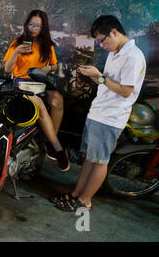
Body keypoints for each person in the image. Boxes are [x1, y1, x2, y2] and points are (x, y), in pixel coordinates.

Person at [53, 15, 146, 212]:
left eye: (102, 40)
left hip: (111, 118)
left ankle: (85, 201)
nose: (101, 45)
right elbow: (107, 83)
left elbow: (126, 90)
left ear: (114, 32)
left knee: (99, 160)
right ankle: (77, 194)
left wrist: (100, 77)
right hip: (98, 113)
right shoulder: (115, 53)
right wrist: (94, 76)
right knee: (89, 158)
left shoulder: (134, 56)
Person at [3, 9, 68, 171]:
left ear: (43, 27)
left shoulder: (47, 45)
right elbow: (7, 69)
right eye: (31, 24)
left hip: (40, 80)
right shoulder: (17, 43)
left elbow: (53, 65)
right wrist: (16, 52)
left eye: (37, 26)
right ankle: (57, 147)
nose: (33, 28)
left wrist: (43, 70)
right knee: (38, 103)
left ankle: (48, 140)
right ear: (26, 24)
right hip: (21, 83)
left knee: (57, 100)